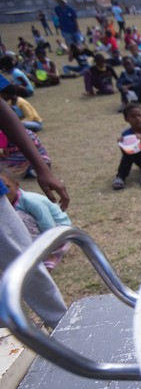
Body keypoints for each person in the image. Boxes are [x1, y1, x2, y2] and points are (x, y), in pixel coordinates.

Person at [0, 84, 68, 327]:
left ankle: (62, 325)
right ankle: (11, 345)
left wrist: (41, 167)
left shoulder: (29, 201)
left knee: (24, 261)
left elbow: (2, 110)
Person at [0, 167, 72, 270]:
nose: (5, 193)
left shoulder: (31, 201)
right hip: (40, 235)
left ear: (16, 185)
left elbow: (48, 225)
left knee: (19, 218)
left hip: (59, 234)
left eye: (7, 187)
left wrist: (51, 246)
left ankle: (48, 256)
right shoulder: (5, 205)